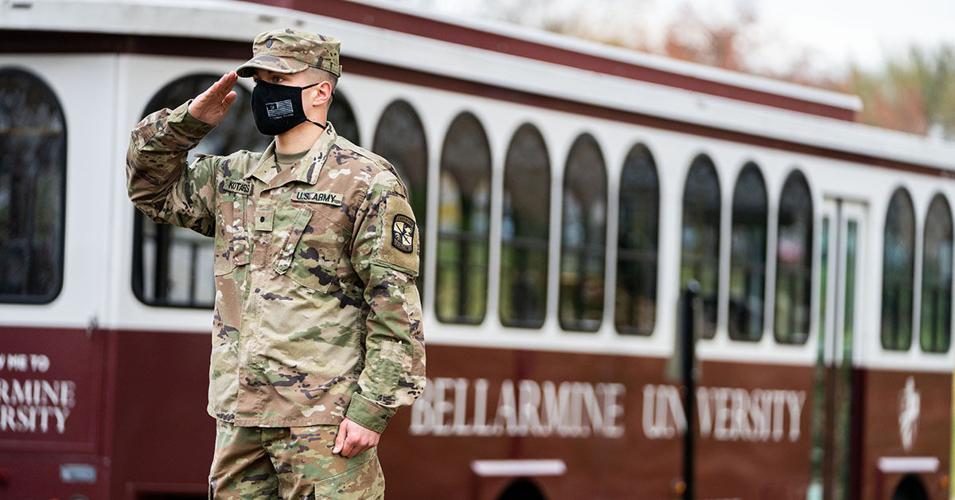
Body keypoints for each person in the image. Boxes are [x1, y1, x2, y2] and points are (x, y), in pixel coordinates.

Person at [126, 28, 425, 499]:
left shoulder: (366, 182)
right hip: (240, 418)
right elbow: (149, 188)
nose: (265, 91)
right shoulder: (233, 177)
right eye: (259, 78)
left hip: (324, 424)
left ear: (321, 91)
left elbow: (395, 308)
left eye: (279, 78)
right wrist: (188, 122)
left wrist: (372, 410)